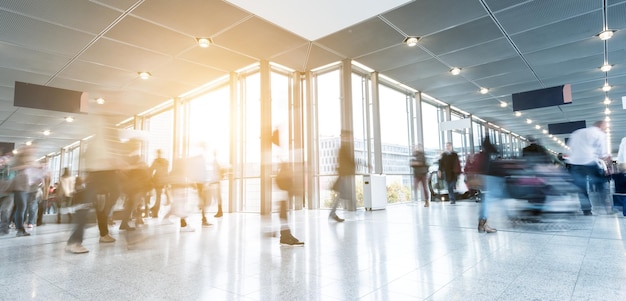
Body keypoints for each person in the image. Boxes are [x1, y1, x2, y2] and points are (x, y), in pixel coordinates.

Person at [566, 120, 611, 216]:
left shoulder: (576, 132)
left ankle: (586, 210)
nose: (605, 129)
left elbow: (570, 148)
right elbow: (602, 153)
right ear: (600, 125)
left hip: (575, 163)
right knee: (600, 184)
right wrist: (606, 158)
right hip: (589, 161)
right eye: (605, 127)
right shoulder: (599, 134)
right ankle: (607, 208)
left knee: (581, 188)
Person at [10, 145, 44, 237]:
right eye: (30, 149)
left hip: (30, 188)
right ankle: (19, 229)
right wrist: (28, 165)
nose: (32, 151)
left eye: (34, 149)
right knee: (21, 207)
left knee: (25, 208)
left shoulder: (33, 160)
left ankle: (21, 228)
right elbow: (13, 168)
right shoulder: (19, 158)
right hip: (20, 186)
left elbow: (37, 174)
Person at [329, 130, 357, 222]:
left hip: (344, 174)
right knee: (343, 194)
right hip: (343, 174)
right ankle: (333, 213)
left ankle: (333, 213)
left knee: (342, 194)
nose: (349, 138)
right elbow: (348, 160)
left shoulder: (345, 147)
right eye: (348, 136)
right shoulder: (343, 148)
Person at [477, 136, 499, 233]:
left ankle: (482, 225)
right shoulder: (486, 155)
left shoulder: (482, 155)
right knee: (485, 204)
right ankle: (483, 225)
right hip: (486, 181)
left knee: (484, 203)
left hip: (482, 181)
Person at [65, 176, 89, 254]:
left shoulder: (77, 191)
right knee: (80, 226)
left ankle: (72, 243)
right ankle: (75, 243)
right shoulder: (81, 191)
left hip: (79, 210)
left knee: (80, 226)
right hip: (81, 210)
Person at [149, 149, 169, 218]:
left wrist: (150, 179)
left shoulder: (156, 161)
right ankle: (154, 210)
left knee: (157, 197)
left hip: (157, 180)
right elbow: (166, 172)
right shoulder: (166, 161)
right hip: (161, 181)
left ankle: (154, 211)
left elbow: (151, 170)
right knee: (158, 197)